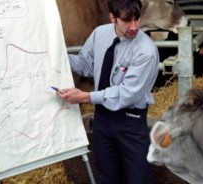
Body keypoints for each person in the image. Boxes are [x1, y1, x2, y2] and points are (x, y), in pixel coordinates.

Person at [56, 0, 159, 183]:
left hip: (131, 122)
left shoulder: (146, 51)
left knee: (139, 179)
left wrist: (86, 97)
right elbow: (85, 65)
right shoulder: (99, 34)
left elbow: (127, 94)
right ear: (112, 18)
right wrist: (56, 55)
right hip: (102, 120)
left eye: (137, 19)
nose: (134, 26)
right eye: (127, 20)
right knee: (106, 179)